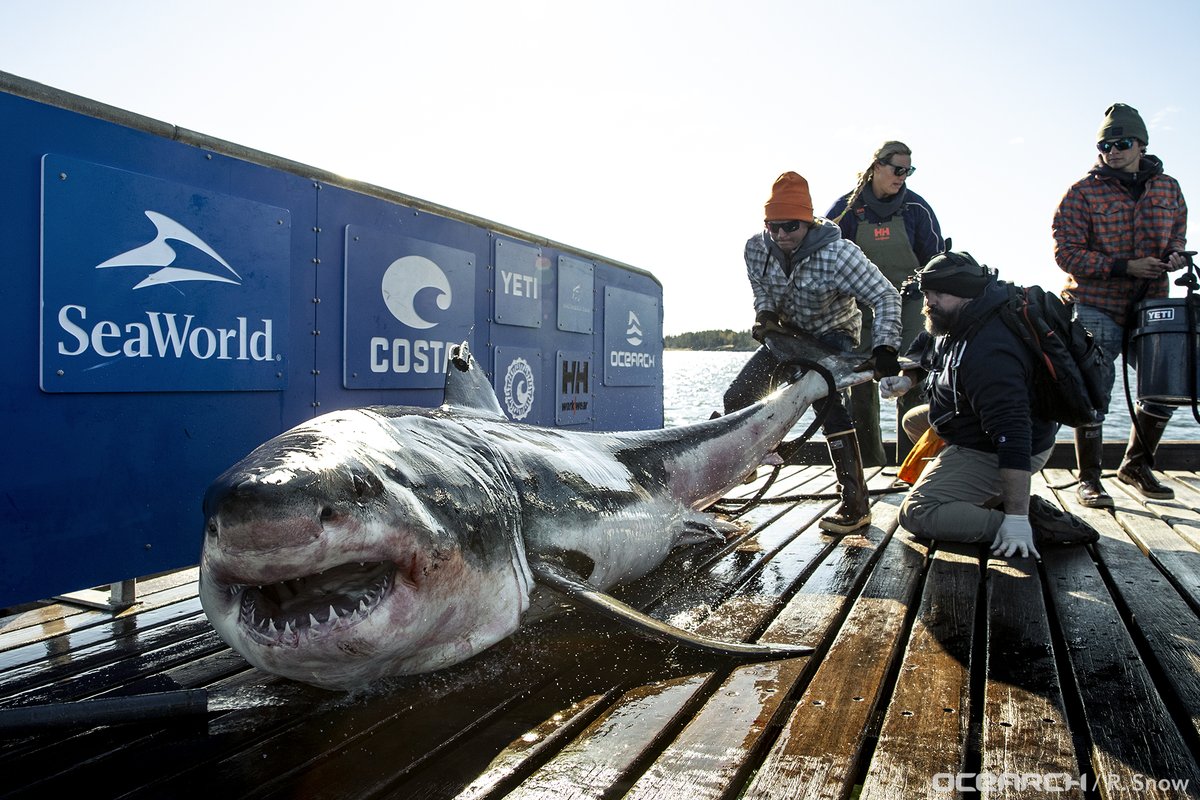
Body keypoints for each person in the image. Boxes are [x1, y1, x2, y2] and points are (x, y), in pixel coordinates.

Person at [724, 171, 902, 534]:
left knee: (827, 405)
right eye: (772, 226)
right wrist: (765, 313)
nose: (780, 235)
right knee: (737, 396)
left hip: (833, 334)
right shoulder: (755, 248)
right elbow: (761, 289)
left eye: (789, 226)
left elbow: (885, 296)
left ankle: (855, 505)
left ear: (807, 222)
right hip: (787, 332)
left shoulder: (839, 255)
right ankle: (748, 460)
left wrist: (885, 347)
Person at [891, 250, 1097, 558]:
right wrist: (907, 379)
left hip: (1006, 445)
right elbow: (926, 348)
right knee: (915, 421)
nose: (929, 302)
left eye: (939, 294)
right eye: (927, 293)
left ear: (966, 294)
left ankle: (1026, 523)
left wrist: (1015, 520)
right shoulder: (956, 319)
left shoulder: (990, 352)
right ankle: (985, 494)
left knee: (917, 512)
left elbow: (1013, 436)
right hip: (970, 425)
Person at [1052, 103, 1189, 508]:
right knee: (1095, 389)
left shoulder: (1169, 188)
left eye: (1122, 143)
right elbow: (1067, 255)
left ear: (1142, 144)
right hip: (1095, 303)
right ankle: (1090, 479)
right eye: (1105, 144)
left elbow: (1177, 234)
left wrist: (1176, 255)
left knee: (1167, 384)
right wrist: (1124, 266)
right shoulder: (1080, 193)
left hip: (1152, 304)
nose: (1113, 150)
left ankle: (1136, 465)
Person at [827, 141, 945, 467]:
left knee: (910, 384)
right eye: (897, 169)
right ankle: (870, 466)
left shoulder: (917, 209)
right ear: (877, 166)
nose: (902, 176)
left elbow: (935, 262)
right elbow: (825, 258)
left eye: (909, 170)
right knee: (860, 391)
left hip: (910, 307)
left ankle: (912, 468)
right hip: (859, 308)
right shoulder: (846, 210)